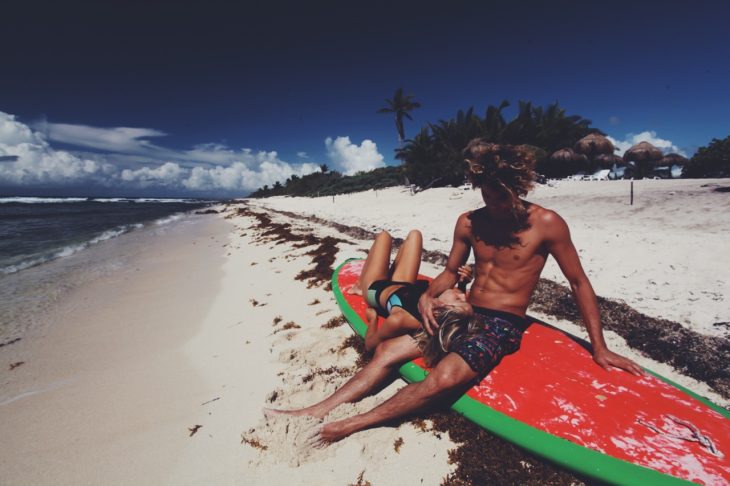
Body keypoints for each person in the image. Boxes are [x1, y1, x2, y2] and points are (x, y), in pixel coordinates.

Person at [276, 140, 644, 446]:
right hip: (463, 310)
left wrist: (598, 346)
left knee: (445, 378)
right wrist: (428, 296)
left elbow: (579, 282)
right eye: (487, 195)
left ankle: (350, 425)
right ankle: (318, 409)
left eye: (502, 196)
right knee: (388, 350)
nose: (495, 204)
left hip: (501, 323)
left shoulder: (547, 224)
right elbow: (450, 272)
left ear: (519, 187)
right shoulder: (470, 221)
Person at [347, 229, 473, 352]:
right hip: (403, 284)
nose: (463, 295)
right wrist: (463, 283)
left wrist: (373, 318)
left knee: (384, 236)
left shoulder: (401, 320)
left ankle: (359, 286)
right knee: (415, 234)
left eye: (459, 299)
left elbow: (370, 344)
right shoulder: (437, 301)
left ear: (443, 308)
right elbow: (456, 292)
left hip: (376, 289)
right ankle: (389, 272)